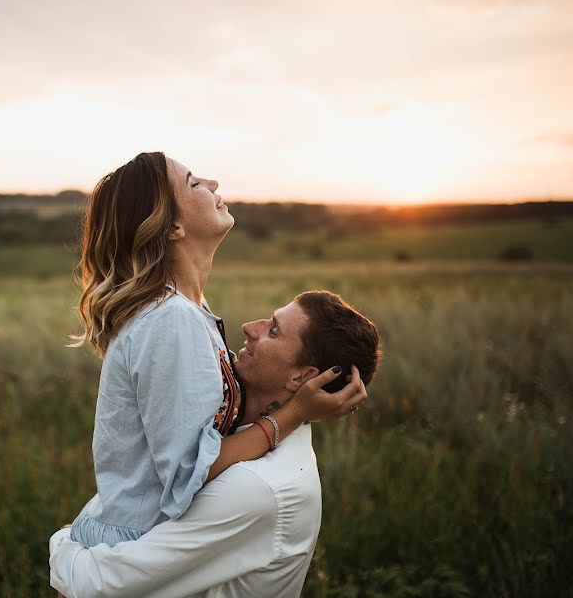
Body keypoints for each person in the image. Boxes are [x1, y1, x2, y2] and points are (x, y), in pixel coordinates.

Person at [67, 152, 367, 549]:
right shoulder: (170, 319)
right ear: (173, 226)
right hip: (131, 554)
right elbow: (189, 471)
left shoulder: (189, 309)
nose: (213, 183)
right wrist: (294, 414)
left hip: (154, 545)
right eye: (193, 183)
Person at [50, 290, 382, 597]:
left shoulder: (257, 487)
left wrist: (65, 539)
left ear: (302, 378)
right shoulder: (232, 432)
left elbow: (98, 585)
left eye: (274, 331)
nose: (250, 327)